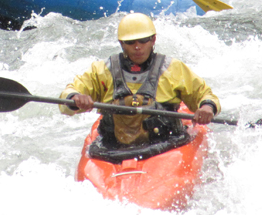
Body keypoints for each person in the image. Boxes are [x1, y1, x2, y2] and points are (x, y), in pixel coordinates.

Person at [60, 13, 220, 148]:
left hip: (165, 144)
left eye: (143, 41)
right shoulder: (102, 70)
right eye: (130, 42)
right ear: (121, 44)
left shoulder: (173, 68)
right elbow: (67, 96)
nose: (137, 47)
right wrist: (74, 99)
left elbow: (205, 95)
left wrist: (207, 107)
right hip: (112, 148)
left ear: (153, 40)